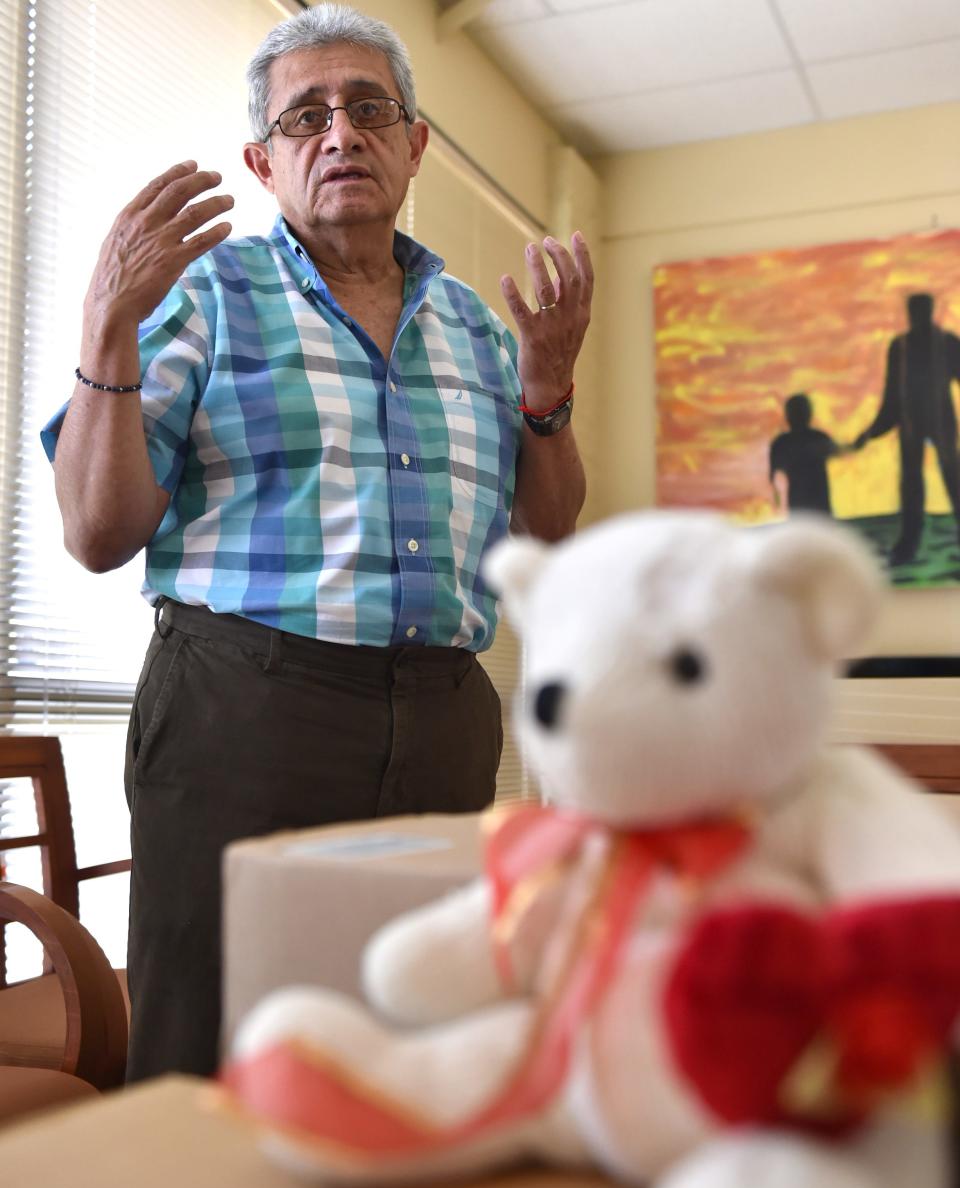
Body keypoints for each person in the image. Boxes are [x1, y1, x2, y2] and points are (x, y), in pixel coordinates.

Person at [41, 4, 591, 1082]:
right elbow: (95, 532)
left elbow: (550, 525)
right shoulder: (201, 296)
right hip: (243, 717)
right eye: (306, 116)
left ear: (415, 142)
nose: (341, 133)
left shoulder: (480, 326)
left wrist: (550, 390)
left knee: (414, 1033)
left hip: (440, 713)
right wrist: (107, 326)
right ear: (264, 158)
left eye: (370, 108)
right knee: (207, 1048)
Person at [853, 293, 960, 566]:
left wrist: (872, 432)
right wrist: (871, 432)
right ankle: (906, 549)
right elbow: (892, 399)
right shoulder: (899, 348)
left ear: (927, 311)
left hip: (941, 426)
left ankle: (906, 550)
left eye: (920, 310)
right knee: (912, 486)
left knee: (953, 481)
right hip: (911, 427)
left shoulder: (947, 343)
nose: (917, 316)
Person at [769, 392, 843, 516]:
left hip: (799, 510)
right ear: (809, 414)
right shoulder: (818, 438)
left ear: (787, 416)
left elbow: (773, 478)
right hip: (820, 510)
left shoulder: (781, 444)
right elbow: (840, 451)